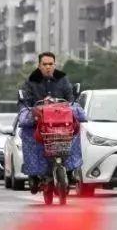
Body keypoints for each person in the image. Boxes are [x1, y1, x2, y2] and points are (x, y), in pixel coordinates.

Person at [16, 52, 84, 193]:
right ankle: (33, 174)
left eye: (50, 64)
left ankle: (72, 170)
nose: (48, 67)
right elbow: (24, 103)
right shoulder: (30, 81)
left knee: (76, 131)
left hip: (60, 122)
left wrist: (71, 108)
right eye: (44, 64)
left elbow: (70, 99)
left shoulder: (63, 79)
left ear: (55, 64)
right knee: (27, 133)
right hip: (39, 123)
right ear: (39, 65)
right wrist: (31, 112)